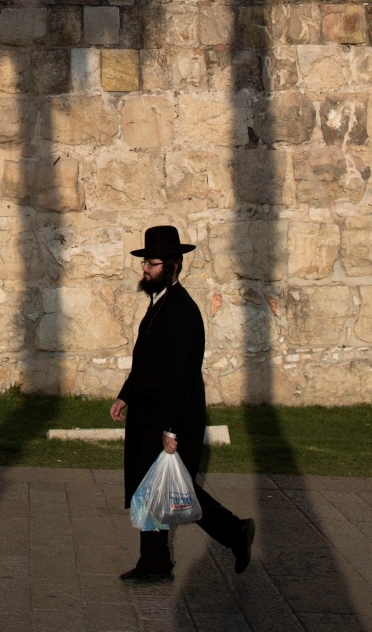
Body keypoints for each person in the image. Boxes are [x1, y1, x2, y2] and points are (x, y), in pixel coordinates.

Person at [109, 225, 254, 582]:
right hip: (149, 415)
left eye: (152, 263)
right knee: (151, 488)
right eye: (145, 263)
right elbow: (147, 360)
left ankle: (235, 531)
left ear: (172, 265)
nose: (145, 269)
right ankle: (154, 563)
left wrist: (169, 427)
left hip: (171, 419)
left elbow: (181, 375)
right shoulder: (159, 303)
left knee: (174, 489)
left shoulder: (183, 311)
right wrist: (125, 394)